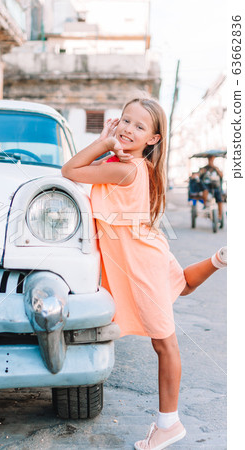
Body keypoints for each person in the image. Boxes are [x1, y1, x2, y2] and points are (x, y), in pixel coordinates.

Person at [61, 95, 227, 450]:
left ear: (153, 139)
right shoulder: (137, 166)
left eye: (139, 126)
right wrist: (112, 147)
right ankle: (217, 259)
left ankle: (170, 424)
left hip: (140, 263)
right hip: (149, 249)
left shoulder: (124, 168)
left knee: (165, 344)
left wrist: (104, 142)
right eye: (124, 120)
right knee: (180, 285)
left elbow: (70, 170)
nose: (127, 129)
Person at [199, 156, 224, 224]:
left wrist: (216, 169)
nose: (211, 161)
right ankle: (205, 205)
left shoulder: (216, 168)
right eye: (210, 159)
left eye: (212, 159)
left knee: (220, 199)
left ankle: (220, 215)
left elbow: (221, 175)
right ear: (208, 160)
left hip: (215, 186)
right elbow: (199, 174)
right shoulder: (204, 168)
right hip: (207, 186)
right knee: (205, 191)